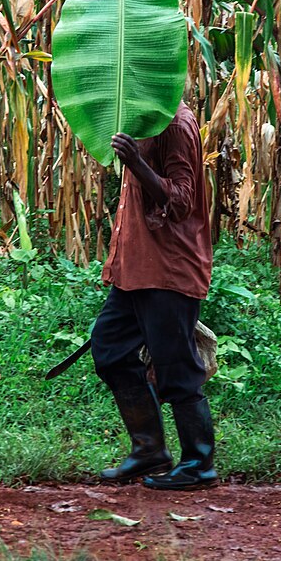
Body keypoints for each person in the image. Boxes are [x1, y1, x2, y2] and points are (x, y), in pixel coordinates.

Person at [92, 102, 216, 490]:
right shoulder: (141, 118)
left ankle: (199, 465)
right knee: (110, 350)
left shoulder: (175, 123)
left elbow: (180, 202)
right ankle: (149, 450)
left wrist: (136, 163)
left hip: (167, 270)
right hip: (134, 271)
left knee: (177, 369)